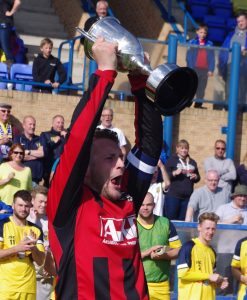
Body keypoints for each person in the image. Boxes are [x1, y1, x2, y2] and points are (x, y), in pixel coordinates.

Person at [47, 38, 163, 299]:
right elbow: (77, 141)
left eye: (120, 156)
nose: (121, 163)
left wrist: (140, 82)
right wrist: (104, 74)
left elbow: (150, 145)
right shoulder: (68, 205)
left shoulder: (127, 194)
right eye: (109, 158)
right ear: (85, 169)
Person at [0, 190, 45, 300]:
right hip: (6, 288)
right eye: (20, 205)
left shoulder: (36, 230)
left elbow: (40, 261)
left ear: (30, 206)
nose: (23, 209)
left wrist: (33, 248)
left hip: (28, 288)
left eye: (26, 206)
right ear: (13, 205)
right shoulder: (2, 225)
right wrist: (18, 248)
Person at [137, 192, 181, 300]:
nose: (145, 208)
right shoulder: (131, 224)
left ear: (154, 205)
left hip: (161, 285)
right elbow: (124, 256)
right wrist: (148, 252)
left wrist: (163, 255)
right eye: (142, 205)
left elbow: (178, 249)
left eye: (149, 205)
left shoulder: (165, 223)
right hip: (137, 284)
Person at [177, 212, 228, 300]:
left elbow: (210, 278)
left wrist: (219, 281)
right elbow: (183, 274)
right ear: (199, 227)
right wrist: (209, 276)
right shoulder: (188, 247)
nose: (210, 232)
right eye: (207, 228)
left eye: (213, 229)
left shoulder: (212, 251)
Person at [27, 185, 56, 300]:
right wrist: (33, 219)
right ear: (32, 200)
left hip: (45, 270)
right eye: (40, 201)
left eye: (46, 202)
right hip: (29, 268)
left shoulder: (50, 219)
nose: (43, 205)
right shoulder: (25, 216)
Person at [164, 139, 200, 220]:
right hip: (173, 196)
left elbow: (198, 177)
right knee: (171, 220)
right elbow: (164, 176)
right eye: (182, 148)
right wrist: (174, 173)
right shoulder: (171, 160)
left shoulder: (192, 162)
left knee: (183, 221)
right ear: (177, 148)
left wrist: (196, 177)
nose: (184, 150)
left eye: (186, 148)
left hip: (187, 197)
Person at [218, 12, 247, 106]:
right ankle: (228, 107)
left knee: (242, 88)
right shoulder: (231, 35)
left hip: (244, 66)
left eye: (242, 21)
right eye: (238, 21)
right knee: (229, 88)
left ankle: (240, 108)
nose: (240, 23)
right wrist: (221, 67)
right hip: (230, 65)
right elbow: (223, 51)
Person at [186, 24, 215, 108]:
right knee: (192, 86)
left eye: (204, 33)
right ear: (197, 32)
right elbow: (189, 57)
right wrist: (191, 68)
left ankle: (198, 105)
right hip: (194, 68)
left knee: (201, 87)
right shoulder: (192, 42)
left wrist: (211, 69)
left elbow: (212, 58)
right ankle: (187, 103)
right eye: (201, 32)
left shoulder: (210, 44)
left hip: (204, 70)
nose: (202, 34)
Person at [14, 115, 44, 185]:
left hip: (36, 178)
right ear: (23, 125)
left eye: (34, 124)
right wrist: (37, 155)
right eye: (30, 124)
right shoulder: (18, 139)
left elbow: (42, 153)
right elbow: (17, 156)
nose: (33, 127)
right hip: (21, 177)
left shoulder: (39, 139)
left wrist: (28, 152)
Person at [40, 115, 67, 187]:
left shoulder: (66, 136)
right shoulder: (45, 135)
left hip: (63, 169)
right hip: (49, 169)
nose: (60, 125)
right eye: (58, 122)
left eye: (62, 123)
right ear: (52, 124)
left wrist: (67, 137)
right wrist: (53, 142)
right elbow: (44, 150)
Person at [0, 0, 21, 64]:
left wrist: (11, 12)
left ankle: (11, 68)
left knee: (5, 49)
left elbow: (18, 2)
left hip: (4, 24)